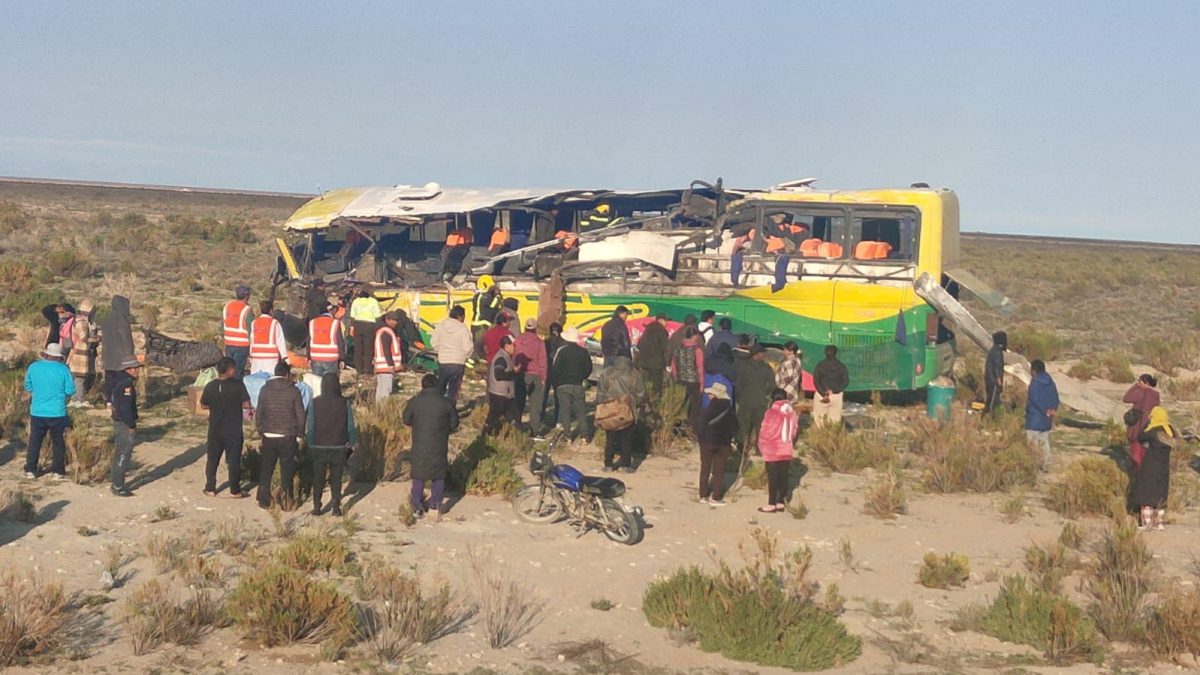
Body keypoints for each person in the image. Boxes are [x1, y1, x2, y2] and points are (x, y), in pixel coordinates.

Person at [404, 374, 460, 518]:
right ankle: (435, 505)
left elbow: (406, 419)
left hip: (420, 442)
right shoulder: (447, 402)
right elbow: (455, 424)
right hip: (439, 442)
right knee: (438, 476)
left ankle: (416, 506)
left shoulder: (415, 402)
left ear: (422, 385)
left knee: (419, 475)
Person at [255, 361, 305, 510]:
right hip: (287, 435)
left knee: (266, 468)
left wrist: (260, 430)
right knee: (287, 469)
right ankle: (286, 500)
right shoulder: (293, 391)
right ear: (287, 374)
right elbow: (300, 415)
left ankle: (264, 499)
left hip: (268, 434)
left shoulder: (265, 390)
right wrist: (299, 434)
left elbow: (259, 413)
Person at [200, 357, 251, 498]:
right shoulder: (238, 385)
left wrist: (216, 406)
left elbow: (203, 405)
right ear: (230, 370)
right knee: (233, 460)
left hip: (215, 428)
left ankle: (210, 487)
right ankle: (235, 490)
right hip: (233, 428)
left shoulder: (210, 386)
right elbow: (246, 404)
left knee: (212, 459)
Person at [23, 343, 76, 480]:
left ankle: (31, 469)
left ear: (45, 354)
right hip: (57, 411)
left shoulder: (34, 367)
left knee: (35, 440)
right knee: (58, 442)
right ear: (59, 357)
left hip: (37, 411)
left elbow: (27, 386)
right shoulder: (63, 369)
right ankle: (58, 471)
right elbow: (70, 390)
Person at [307, 371, 356, 516]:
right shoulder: (344, 403)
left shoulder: (315, 402)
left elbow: (311, 425)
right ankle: (336, 506)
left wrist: (310, 443)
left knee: (318, 478)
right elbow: (350, 426)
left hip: (319, 444)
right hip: (339, 445)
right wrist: (352, 442)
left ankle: (317, 506)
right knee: (336, 478)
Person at [595, 355, 646, 472]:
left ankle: (608, 464)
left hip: (610, 411)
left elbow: (600, 392)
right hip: (627, 410)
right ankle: (626, 465)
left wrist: (604, 404)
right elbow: (640, 394)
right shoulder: (634, 374)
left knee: (610, 439)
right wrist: (633, 403)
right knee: (626, 439)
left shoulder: (607, 372)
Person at [1133, 407, 1177, 531]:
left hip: (1150, 465)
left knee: (1146, 493)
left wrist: (1148, 423)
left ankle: (1147, 523)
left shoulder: (1153, 431)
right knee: (1160, 493)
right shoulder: (1170, 430)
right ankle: (1159, 522)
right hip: (1164, 467)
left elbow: (1140, 437)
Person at [758, 388, 799, 513]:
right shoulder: (792, 413)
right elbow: (794, 431)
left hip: (772, 449)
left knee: (772, 477)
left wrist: (762, 445)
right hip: (786, 448)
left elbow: (765, 431)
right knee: (783, 476)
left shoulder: (771, 412)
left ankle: (771, 503)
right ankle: (781, 501)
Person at [697, 382, 738, 506]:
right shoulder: (729, 409)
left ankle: (703, 495)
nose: (709, 395)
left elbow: (700, 425)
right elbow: (735, 427)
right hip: (723, 443)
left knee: (705, 469)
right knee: (719, 471)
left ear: (715, 395)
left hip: (707, 442)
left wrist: (701, 438)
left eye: (710, 393)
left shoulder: (709, 408)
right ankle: (715, 497)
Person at [549, 327, 592, 440]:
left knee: (565, 410)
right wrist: (582, 377)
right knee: (581, 411)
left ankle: (568, 436)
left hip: (563, 385)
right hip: (578, 384)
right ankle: (584, 435)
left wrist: (556, 382)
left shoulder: (562, 351)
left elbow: (555, 369)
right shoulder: (583, 352)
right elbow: (589, 368)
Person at [108, 356, 141, 497]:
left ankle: (116, 481)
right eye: (133, 368)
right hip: (124, 422)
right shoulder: (126, 383)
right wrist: (131, 424)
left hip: (118, 420)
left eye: (137, 367)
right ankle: (118, 485)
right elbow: (126, 407)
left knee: (118, 453)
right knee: (123, 454)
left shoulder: (116, 379)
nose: (136, 370)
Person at [734, 344, 776, 451]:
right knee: (759, 427)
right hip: (760, 402)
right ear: (757, 355)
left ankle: (741, 448)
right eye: (762, 353)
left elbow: (738, 385)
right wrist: (764, 394)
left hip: (745, 400)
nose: (763, 355)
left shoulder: (743, 366)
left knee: (743, 426)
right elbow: (772, 386)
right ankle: (758, 449)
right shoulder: (767, 368)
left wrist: (739, 398)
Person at [431, 305, 474, 402]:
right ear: (460, 316)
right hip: (458, 363)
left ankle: (438, 408)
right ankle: (450, 411)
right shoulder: (463, 328)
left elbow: (434, 342)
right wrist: (466, 356)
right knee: (453, 391)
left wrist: (440, 352)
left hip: (443, 362)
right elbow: (468, 347)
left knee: (440, 388)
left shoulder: (441, 326)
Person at [515, 318, 548, 438]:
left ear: (525, 327)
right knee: (535, 405)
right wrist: (544, 377)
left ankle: (516, 427)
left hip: (519, 374)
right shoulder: (539, 342)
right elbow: (542, 361)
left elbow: (514, 355)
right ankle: (535, 431)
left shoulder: (518, 340)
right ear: (535, 329)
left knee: (518, 402)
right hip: (535, 375)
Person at [1024, 359, 1059, 472]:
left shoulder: (1035, 382)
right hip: (1047, 419)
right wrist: (1052, 409)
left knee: (1032, 444)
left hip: (1035, 419)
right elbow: (1056, 398)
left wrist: (1044, 410)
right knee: (1044, 442)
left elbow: (1034, 399)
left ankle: (1032, 466)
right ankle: (1045, 465)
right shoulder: (1050, 382)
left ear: (1034, 371)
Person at [484, 335, 522, 435]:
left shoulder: (506, 357)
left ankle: (515, 438)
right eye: (513, 345)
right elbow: (499, 375)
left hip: (505, 394)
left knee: (514, 417)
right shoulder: (501, 358)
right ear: (506, 346)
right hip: (499, 395)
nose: (515, 347)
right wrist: (513, 372)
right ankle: (485, 437)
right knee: (493, 419)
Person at [671, 327, 705, 435]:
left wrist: (676, 378)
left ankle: (676, 430)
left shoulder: (677, 349)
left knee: (680, 406)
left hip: (680, 381)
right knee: (694, 409)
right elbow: (700, 368)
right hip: (693, 382)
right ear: (694, 336)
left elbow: (674, 366)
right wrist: (702, 384)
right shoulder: (697, 350)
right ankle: (691, 430)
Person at [1123, 374, 1160, 471]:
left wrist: (1135, 387)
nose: (1138, 383)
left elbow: (1126, 398)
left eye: (1140, 381)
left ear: (1145, 383)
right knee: (1144, 451)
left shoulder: (1140, 393)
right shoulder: (1156, 395)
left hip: (1137, 425)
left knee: (1136, 451)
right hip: (1149, 425)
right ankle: (1144, 471)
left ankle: (1137, 472)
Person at [66, 299, 96, 405]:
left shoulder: (77, 320)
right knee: (79, 377)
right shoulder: (82, 322)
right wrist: (98, 338)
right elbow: (84, 338)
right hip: (80, 353)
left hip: (76, 352)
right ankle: (79, 399)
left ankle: (74, 398)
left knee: (76, 378)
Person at [100, 295, 136, 380]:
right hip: (121, 361)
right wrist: (130, 359)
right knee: (122, 386)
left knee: (110, 386)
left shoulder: (106, 319)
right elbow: (127, 342)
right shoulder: (122, 320)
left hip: (107, 360)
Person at [812, 345, 849, 425]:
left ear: (825, 353)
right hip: (836, 395)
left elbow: (816, 381)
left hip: (821, 395)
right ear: (836, 353)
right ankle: (832, 435)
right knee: (835, 420)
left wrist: (823, 393)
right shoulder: (841, 366)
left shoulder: (820, 365)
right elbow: (845, 382)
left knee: (820, 419)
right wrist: (835, 390)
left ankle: (820, 435)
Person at [636, 314, 671, 399]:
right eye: (666, 321)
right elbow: (666, 348)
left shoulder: (647, 329)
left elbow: (639, 345)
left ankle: (643, 407)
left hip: (644, 363)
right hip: (656, 364)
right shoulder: (662, 331)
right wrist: (667, 363)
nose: (667, 323)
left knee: (644, 388)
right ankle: (655, 406)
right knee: (656, 388)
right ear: (661, 320)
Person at [349, 289, 383, 374]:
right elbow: (378, 316)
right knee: (368, 348)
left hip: (358, 325)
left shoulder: (355, 301)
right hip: (369, 326)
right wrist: (378, 328)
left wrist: (352, 328)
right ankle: (367, 369)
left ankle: (359, 370)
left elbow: (352, 316)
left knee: (358, 349)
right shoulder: (373, 301)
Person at [249, 301, 288, 376]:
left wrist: (251, 355)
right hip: (271, 358)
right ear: (271, 310)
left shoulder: (254, 323)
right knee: (270, 380)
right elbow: (280, 341)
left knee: (256, 379)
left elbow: (252, 340)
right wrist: (285, 357)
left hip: (257, 357)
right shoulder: (275, 323)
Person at [222, 285, 253, 377]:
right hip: (242, 346)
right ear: (247, 296)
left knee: (228, 370)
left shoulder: (227, 307)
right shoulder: (246, 309)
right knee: (238, 372)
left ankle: (226, 389)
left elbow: (222, 325)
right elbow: (251, 329)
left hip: (229, 344)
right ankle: (235, 390)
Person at [374, 312, 404, 401]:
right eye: (393, 320)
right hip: (386, 367)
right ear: (387, 319)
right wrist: (391, 365)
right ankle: (383, 411)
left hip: (381, 367)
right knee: (386, 391)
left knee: (380, 391)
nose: (395, 323)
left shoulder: (382, 331)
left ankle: (378, 410)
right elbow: (386, 349)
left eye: (396, 320)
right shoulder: (386, 332)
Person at [307, 304, 344, 377]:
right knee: (330, 383)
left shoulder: (312, 322)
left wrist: (308, 357)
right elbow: (340, 341)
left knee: (317, 382)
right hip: (331, 358)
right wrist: (342, 358)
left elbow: (308, 341)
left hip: (315, 356)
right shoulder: (335, 323)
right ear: (330, 311)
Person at [471, 277, 502, 355]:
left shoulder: (477, 296)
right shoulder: (487, 297)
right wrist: (498, 296)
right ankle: (475, 360)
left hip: (475, 323)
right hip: (483, 324)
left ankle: (474, 362)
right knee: (481, 347)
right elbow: (493, 308)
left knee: (477, 346)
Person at [984, 331, 1007, 413]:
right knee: (993, 405)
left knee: (990, 401)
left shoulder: (993, 350)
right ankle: (990, 420)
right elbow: (998, 367)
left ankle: (985, 420)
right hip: (994, 383)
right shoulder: (997, 352)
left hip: (989, 381)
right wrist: (999, 382)